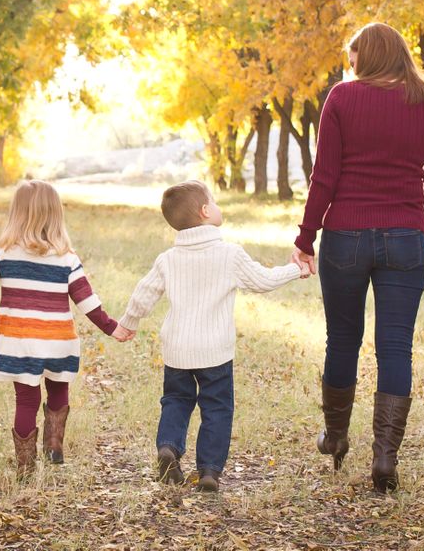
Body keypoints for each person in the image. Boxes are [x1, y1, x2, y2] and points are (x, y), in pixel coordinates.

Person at [291, 22, 424, 493]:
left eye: (354, 56)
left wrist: (306, 236)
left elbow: (325, 176)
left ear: (370, 55)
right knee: (395, 347)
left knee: (342, 340)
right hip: (406, 237)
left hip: (345, 236)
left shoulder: (342, 99)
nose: (351, 65)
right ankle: (385, 458)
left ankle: (337, 437)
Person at [115, 181, 309, 492]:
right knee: (217, 407)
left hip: (178, 348)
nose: (218, 207)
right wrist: (294, 270)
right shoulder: (229, 254)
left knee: (176, 400)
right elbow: (261, 280)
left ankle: (168, 448)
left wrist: (128, 322)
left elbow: (143, 294)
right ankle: (208, 471)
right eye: (215, 203)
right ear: (206, 211)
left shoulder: (168, 259)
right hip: (215, 350)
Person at [0, 180, 128, 476]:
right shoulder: (67, 258)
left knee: (26, 400)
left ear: (17, 215)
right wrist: (111, 327)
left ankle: (25, 467)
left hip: (21, 344)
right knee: (58, 389)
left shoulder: (5, 255)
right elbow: (86, 301)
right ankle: (54, 446)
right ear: (56, 216)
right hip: (58, 341)